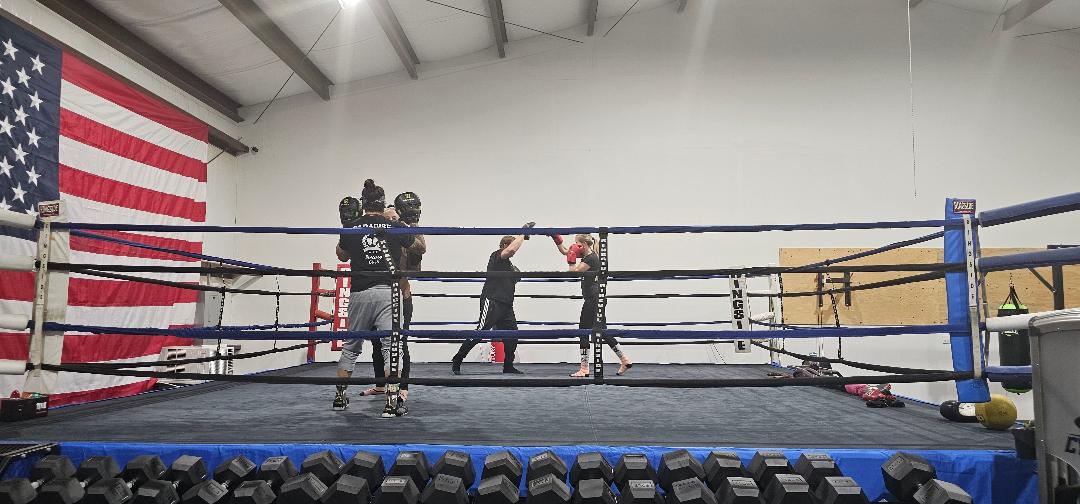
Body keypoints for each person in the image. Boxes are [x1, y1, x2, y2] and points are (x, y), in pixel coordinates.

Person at [333, 179, 415, 417]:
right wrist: (400, 222)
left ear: (363, 203)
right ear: (382, 202)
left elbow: (342, 255)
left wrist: (348, 229)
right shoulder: (393, 226)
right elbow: (418, 247)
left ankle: (340, 397)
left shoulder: (352, 227)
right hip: (387, 293)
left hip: (359, 293)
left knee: (350, 347)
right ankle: (391, 402)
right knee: (392, 348)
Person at [361, 193, 426, 405]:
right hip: (376, 292)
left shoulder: (405, 229)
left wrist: (398, 223)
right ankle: (381, 384)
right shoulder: (374, 231)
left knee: (400, 342)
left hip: (400, 294)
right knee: (375, 342)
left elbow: (421, 247)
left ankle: (403, 387)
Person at [451, 224, 534, 375]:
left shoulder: (509, 265)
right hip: (492, 301)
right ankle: (457, 359)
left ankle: (508, 366)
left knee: (513, 335)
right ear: (503, 245)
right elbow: (511, 250)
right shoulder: (496, 255)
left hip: (506, 305)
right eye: (511, 244)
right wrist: (523, 233)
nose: (514, 250)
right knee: (481, 332)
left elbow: (516, 277)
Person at [555, 233, 632, 376]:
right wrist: (556, 240)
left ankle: (584, 368)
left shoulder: (591, 258)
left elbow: (574, 273)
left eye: (576, 244)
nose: (574, 247)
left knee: (583, 331)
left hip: (593, 299)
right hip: (597, 298)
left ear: (582, 245)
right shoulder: (588, 255)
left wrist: (571, 260)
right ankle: (624, 359)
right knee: (602, 331)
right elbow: (566, 251)